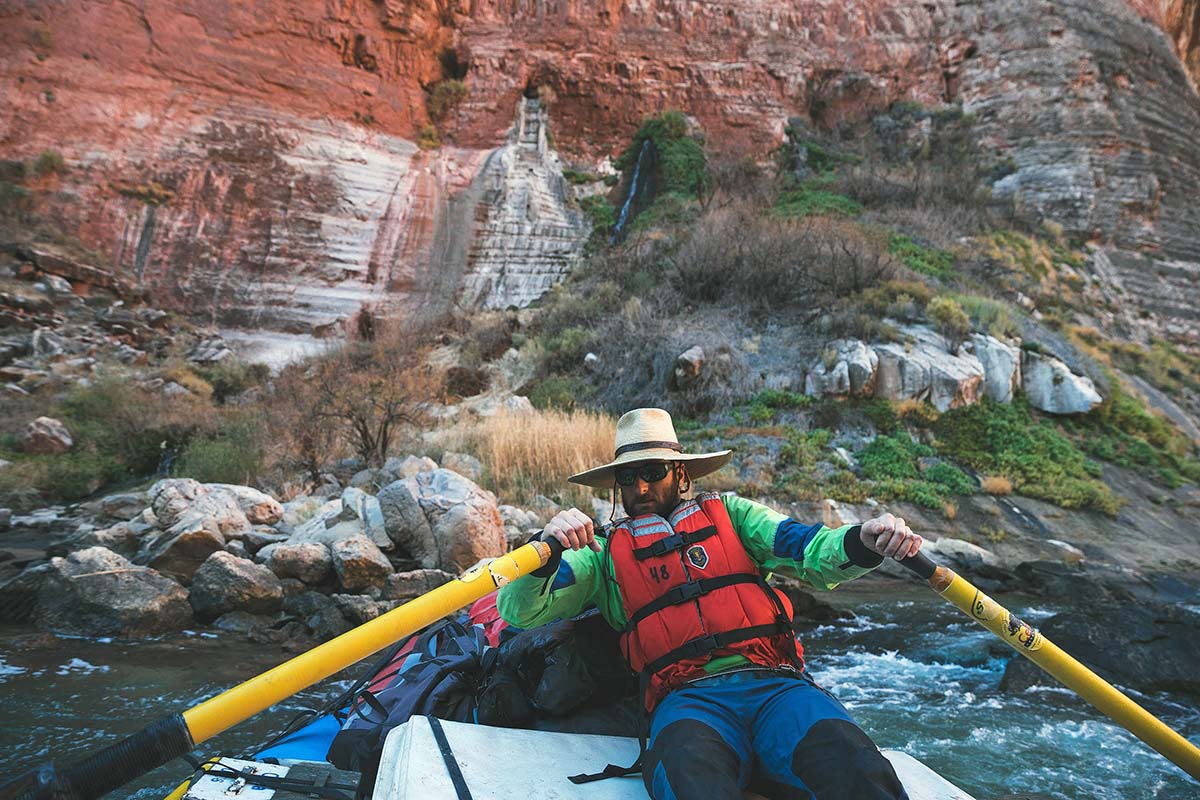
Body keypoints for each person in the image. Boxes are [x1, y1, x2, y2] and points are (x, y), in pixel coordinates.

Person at [497, 407, 923, 799]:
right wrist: (545, 550)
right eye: (628, 477)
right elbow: (519, 609)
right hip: (686, 700)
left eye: (652, 470)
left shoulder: (734, 516)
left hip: (776, 686)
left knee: (859, 770)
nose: (640, 486)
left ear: (680, 473)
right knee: (690, 784)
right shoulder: (602, 553)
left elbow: (810, 548)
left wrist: (863, 539)